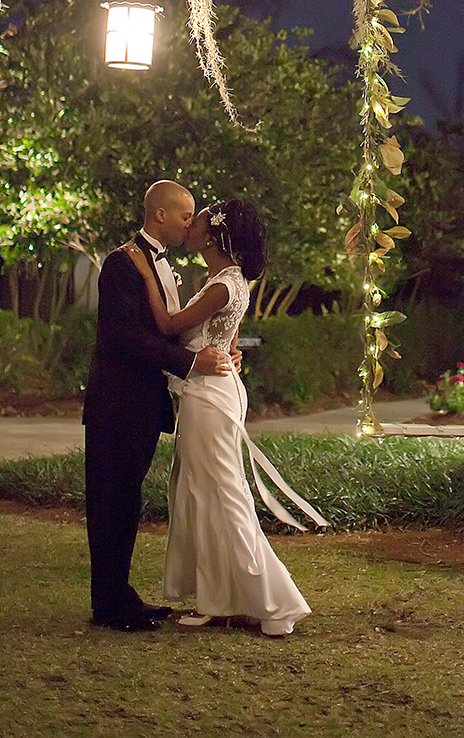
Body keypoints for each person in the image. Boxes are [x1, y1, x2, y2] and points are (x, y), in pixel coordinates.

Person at [123, 197, 325, 636]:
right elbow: (214, 337)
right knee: (205, 493)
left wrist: (144, 275)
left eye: (196, 220)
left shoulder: (223, 284)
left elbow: (170, 326)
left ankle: (274, 602)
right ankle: (219, 598)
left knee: (221, 493)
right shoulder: (226, 279)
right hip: (211, 389)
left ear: (213, 234)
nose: (189, 225)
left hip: (210, 397)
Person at [82, 180, 234, 632]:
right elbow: (126, 338)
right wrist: (191, 362)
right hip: (116, 405)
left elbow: (168, 328)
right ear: (160, 214)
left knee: (125, 501)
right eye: (186, 216)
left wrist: (216, 348)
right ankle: (108, 604)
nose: (192, 224)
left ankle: (119, 596)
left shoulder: (159, 266)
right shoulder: (120, 264)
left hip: (143, 405)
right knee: (109, 501)